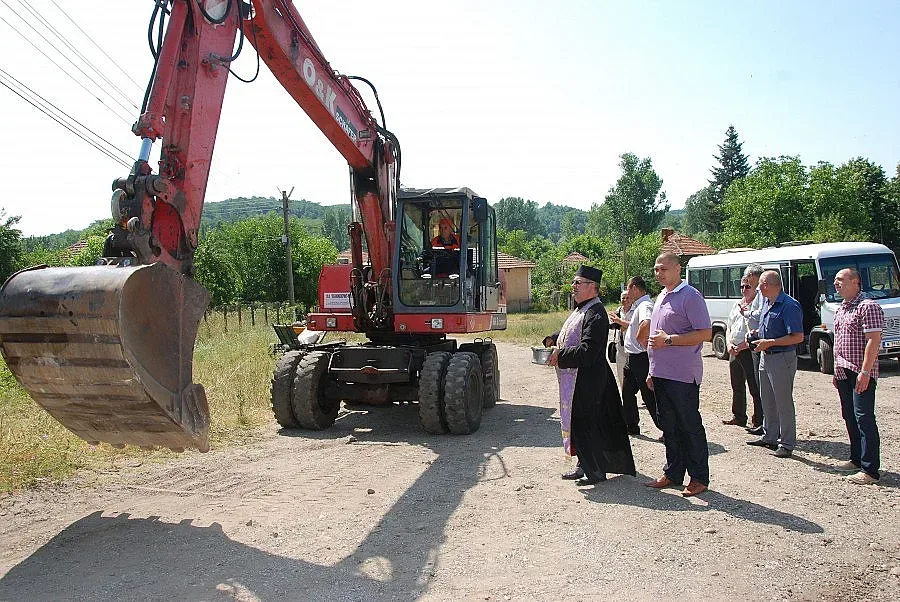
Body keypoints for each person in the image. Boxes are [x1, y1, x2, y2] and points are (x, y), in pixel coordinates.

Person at [543, 265, 636, 486]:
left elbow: (589, 351)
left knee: (589, 425)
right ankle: (583, 464)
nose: (573, 286)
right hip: (578, 379)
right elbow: (571, 331)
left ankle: (595, 470)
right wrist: (553, 338)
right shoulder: (582, 309)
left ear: (592, 287)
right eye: (573, 282)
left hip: (590, 380)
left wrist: (559, 355)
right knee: (578, 423)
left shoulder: (596, 313)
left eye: (578, 283)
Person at [644, 252, 712, 497]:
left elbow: (705, 333)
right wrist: (652, 371)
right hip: (661, 374)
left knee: (689, 426)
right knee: (669, 427)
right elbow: (654, 338)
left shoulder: (690, 296)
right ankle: (673, 472)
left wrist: (670, 340)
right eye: (656, 269)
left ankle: (699, 477)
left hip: (682, 375)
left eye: (663, 269)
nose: (658, 273)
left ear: (677, 269)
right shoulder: (662, 296)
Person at [832, 268, 884, 485]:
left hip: (860, 371)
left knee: (864, 418)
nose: (836, 283)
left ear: (855, 282)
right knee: (849, 416)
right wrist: (836, 371)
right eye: (835, 280)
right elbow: (839, 342)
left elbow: (873, 340)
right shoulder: (841, 308)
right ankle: (856, 459)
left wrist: (865, 372)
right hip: (843, 371)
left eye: (840, 280)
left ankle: (870, 470)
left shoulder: (868, 306)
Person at [746, 270, 803, 459]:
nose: (758, 288)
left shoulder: (789, 305)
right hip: (766, 356)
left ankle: (787, 443)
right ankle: (769, 436)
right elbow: (768, 328)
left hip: (781, 358)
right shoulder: (767, 303)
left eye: (760, 285)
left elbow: (797, 337)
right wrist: (755, 335)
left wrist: (770, 342)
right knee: (767, 399)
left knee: (783, 402)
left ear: (768, 285)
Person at [610, 276, 661, 436]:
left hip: (641, 357)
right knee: (627, 392)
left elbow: (647, 322)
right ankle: (631, 425)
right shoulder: (639, 305)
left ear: (634, 288)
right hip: (631, 357)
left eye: (628, 288)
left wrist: (640, 338)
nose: (627, 292)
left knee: (649, 395)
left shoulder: (645, 305)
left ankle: (667, 429)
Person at [723, 275, 762, 428]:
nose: (744, 290)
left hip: (748, 350)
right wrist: (728, 344)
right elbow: (729, 326)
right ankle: (738, 416)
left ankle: (758, 420)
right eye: (742, 287)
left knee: (754, 387)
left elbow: (758, 332)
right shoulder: (736, 305)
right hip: (734, 349)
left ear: (755, 288)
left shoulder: (757, 307)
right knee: (737, 385)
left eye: (747, 287)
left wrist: (742, 346)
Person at [742, 264, 766, 434]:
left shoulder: (761, 293)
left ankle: (765, 425)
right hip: (756, 340)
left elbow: (760, 314)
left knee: (761, 387)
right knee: (758, 385)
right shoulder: (760, 293)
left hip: (761, 343)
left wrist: (746, 313)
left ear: (751, 275)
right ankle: (764, 424)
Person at [609, 290, 633, 388]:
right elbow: (613, 326)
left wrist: (620, 322)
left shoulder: (636, 309)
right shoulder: (618, 310)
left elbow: (635, 326)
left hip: (634, 348)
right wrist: (618, 324)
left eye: (628, 297)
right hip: (621, 347)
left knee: (637, 376)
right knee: (621, 375)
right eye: (623, 298)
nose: (625, 300)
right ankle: (625, 395)